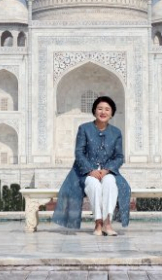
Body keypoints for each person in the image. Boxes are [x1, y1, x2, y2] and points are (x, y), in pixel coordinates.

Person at [52, 96, 131, 236]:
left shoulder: (116, 132)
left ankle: (107, 223)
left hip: (108, 171)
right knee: (93, 185)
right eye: (100, 109)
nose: (103, 112)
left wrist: (107, 170)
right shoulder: (84, 129)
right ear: (94, 111)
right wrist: (90, 170)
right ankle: (98, 223)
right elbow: (79, 153)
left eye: (107, 109)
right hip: (85, 172)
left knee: (111, 184)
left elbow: (119, 156)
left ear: (112, 113)